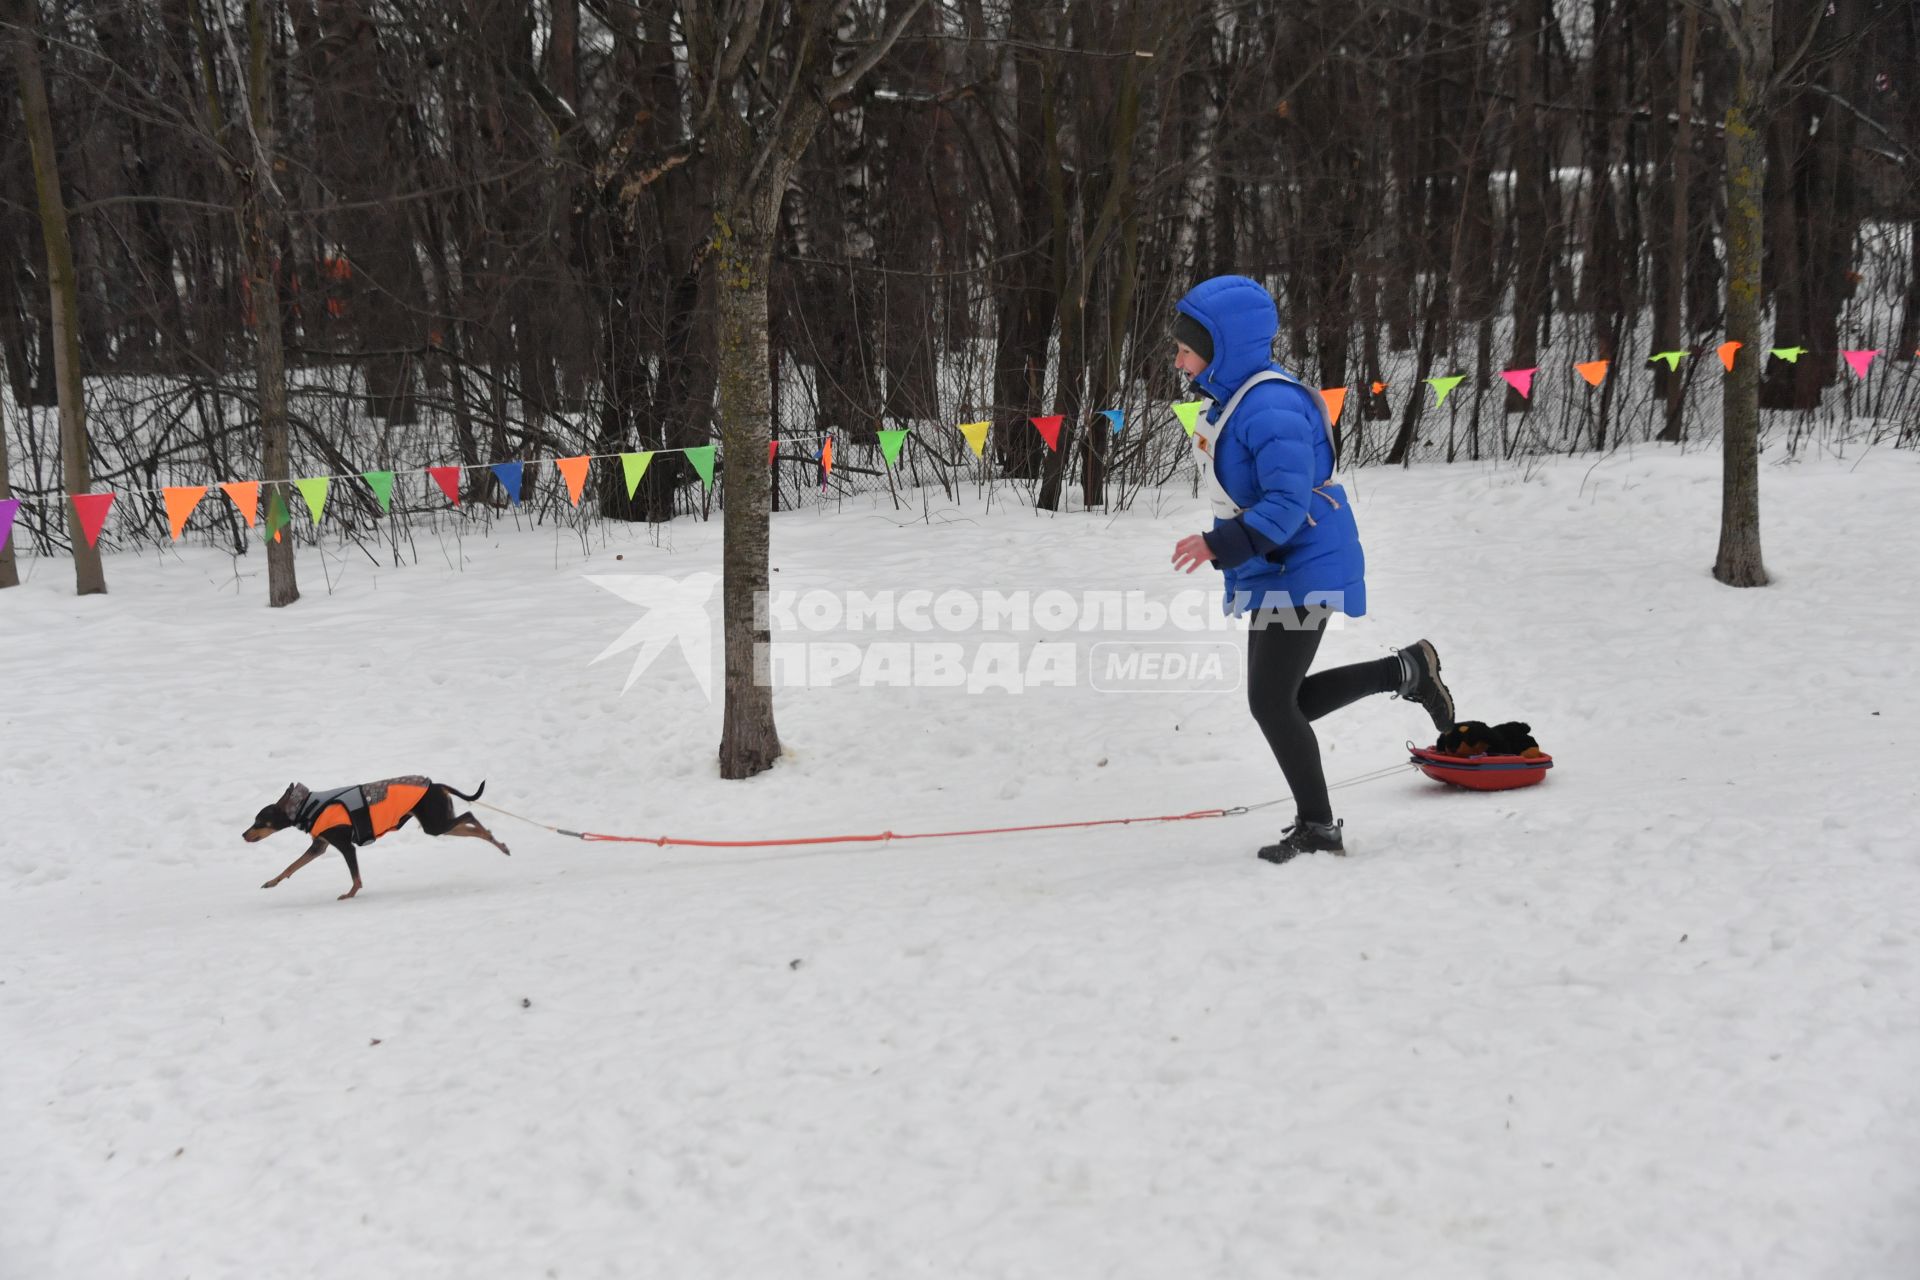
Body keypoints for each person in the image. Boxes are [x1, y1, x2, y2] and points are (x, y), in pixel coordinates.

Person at [1167, 274, 1455, 864]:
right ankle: (1407, 671)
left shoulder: (1269, 406)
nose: (1178, 359)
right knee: (1280, 699)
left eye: (1187, 348)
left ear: (1223, 348)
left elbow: (1286, 503)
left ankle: (1319, 827)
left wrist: (1217, 544)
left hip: (1303, 562)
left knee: (1272, 704)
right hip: (1275, 564)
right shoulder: (1236, 399)